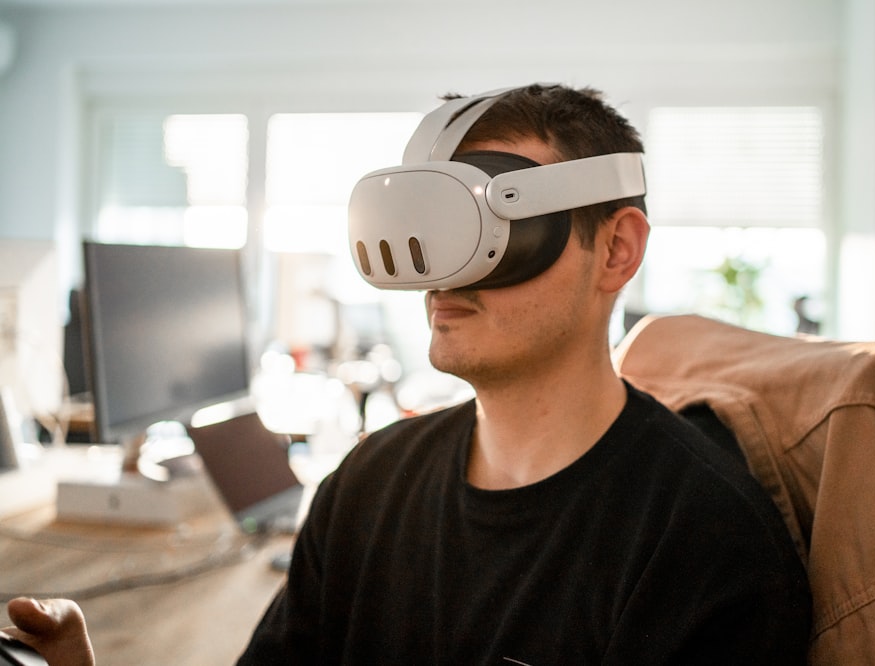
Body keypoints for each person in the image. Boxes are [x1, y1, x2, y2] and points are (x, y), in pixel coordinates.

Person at [5, 84, 811, 664]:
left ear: (617, 249)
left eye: (488, 233)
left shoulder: (703, 540)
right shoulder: (369, 483)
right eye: (426, 234)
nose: (440, 277)